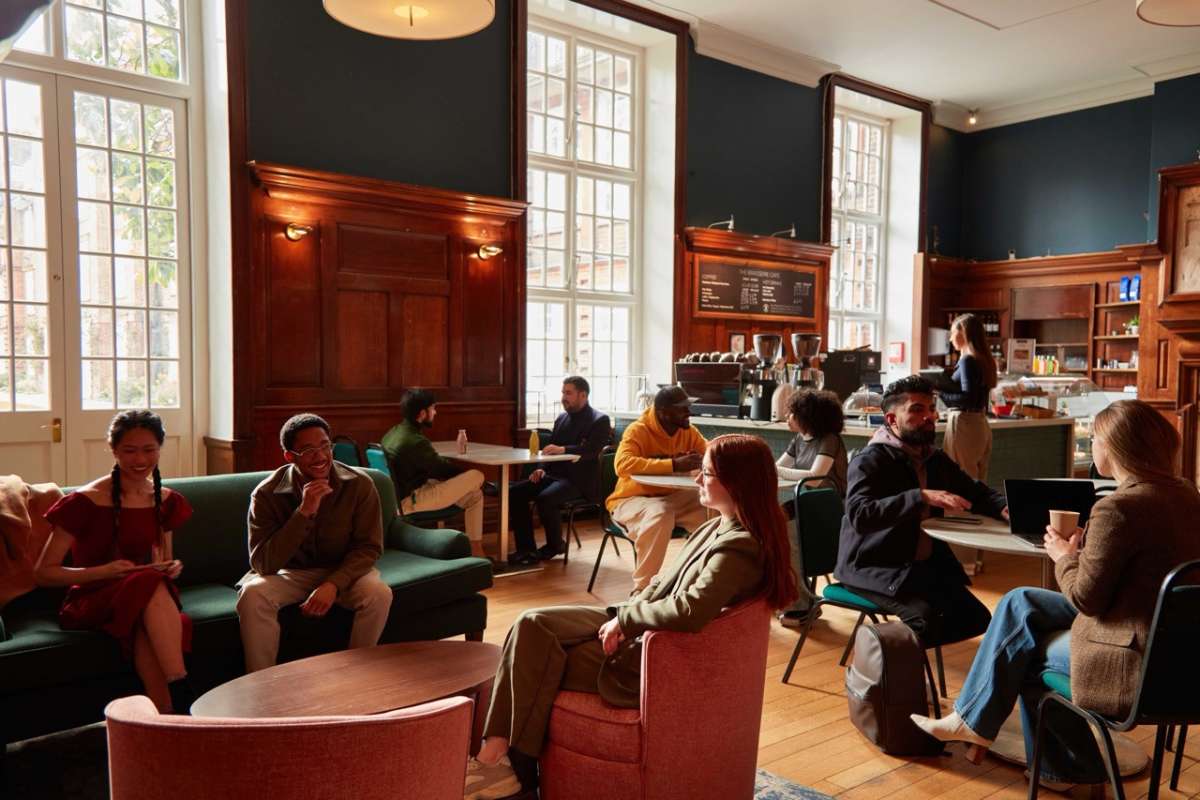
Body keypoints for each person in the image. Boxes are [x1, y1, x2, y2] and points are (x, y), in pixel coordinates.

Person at [462, 434, 799, 800]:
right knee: (531, 623)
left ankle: (502, 764)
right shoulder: (717, 525)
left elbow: (691, 609)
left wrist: (627, 622)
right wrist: (624, 613)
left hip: (654, 656)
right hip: (642, 624)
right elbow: (661, 583)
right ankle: (505, 761)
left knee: (536, 657)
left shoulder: (739, 547)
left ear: (737, 481)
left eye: (706, 473)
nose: (697, 480)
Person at [912, 400, 1200, 790]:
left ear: (1114, 448)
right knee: (1021, 602)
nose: (1093, 444)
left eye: (1095, 438)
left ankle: (1066, 768)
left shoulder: (1119, 509)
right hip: (1182, 653)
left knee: (1026, 653)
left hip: (1137, 662)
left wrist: (1065, 556)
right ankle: (974, 723)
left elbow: (1086, 599)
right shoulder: (1187, 495)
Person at [35, 411, 195, 714]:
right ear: (113, 451)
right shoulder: (85, 501)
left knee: (146, 608)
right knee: (149, 590)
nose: (140, 459)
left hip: (142, 596)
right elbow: (43, 573)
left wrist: (170, 568)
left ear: (160, 449)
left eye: (149, 450)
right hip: (91, 598)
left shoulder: (166, 499)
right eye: (129, 450)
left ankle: (167, 718)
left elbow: (162, 561)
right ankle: (181, 685)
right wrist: (103, 571)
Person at [834, 375, 1008, 649]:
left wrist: (1003, 507)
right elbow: (859, 514)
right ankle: (877, 670)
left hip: (918, 567)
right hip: (873, 566)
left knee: (977, 617)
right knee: (926, 620)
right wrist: (920, 497)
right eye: (917, 410)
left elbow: (975, 491)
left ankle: (887, 660)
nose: (929, 416)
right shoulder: (870, 460)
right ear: (892, 420)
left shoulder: (934, 458)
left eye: (931, 409)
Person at [237, 413, 392, 673]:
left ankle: (357, 675)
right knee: (252, 595)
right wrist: (303, 513)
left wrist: (332, 584)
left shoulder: (360, 485)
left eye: (324, 446)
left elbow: (369, 548)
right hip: (291, 574)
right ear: (290, 456)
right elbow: (263, 563)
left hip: (343, 571)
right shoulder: (266, 494)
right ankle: (260, 683)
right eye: (308, 450)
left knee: (379, 593)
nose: (320, 457)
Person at [607, 385, 708, 591]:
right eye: (682, 409)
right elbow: (622, 464)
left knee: (714, 506)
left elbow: (709, 450)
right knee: (660, 513)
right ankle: (642, 590)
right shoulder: (638, 430)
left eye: (689, 407)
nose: (689, 413)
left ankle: (705, 581)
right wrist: (674, 465)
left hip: (672, 497)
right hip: (631, 499)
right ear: (663, 413)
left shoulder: (688, 431)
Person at [507, 376, 612, 566]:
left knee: (546, 498)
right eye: (563, 392)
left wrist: (564, 449)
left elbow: (592, 450)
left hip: (580, 481)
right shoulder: (561, 418)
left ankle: (555, 545)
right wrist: (540, 469)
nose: (564, 397)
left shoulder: (600, 420)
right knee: (515, 493)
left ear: (583, 395)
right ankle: (526, 550)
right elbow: (549, 452)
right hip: (554, 475)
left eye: (568, 393)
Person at [382, 389, 486, 558]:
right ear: (423, 413)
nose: (435, 413)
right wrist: (464, 477)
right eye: (433, 408)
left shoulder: (393, 432)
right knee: (477, 475)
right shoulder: (415, 441)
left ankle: (475, 549)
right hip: (411, 500)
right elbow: (441, 469)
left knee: (475, 495)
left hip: (399, 498)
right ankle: (475, 551)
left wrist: (461, 481)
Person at [776, 388, 848, 629]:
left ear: (806, 417)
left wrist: (780, 471)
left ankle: (801, 604)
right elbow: (778, 467)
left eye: (791, 413)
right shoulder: (799, 439)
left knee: (784, 534)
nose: (787, 417)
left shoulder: (830, 440)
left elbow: (815, 478)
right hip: (806, 504)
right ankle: (792, 597)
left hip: (829, 508)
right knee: (769, 524)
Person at [940, 313, 998, 481]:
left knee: (961, 481)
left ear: (964, 332)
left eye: (952, 332)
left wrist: (940, 392)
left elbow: (967, 398)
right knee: (978, 481)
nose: (950, 338)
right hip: (980, 424)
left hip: (964, 423)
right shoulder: (984, 360)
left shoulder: (967, 360)